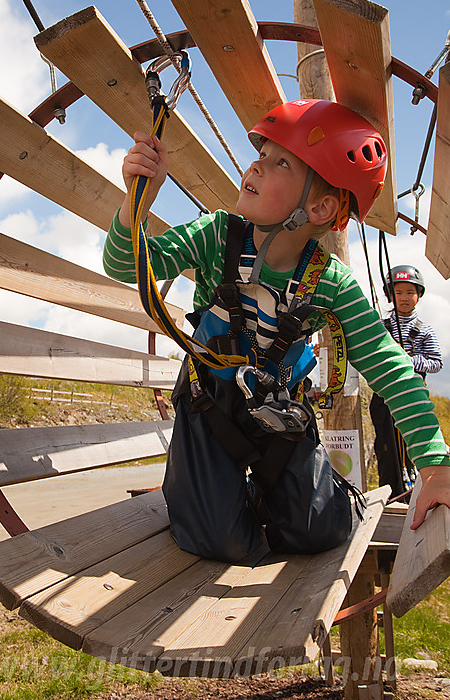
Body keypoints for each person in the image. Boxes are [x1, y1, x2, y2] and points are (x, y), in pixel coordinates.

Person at [103, 99, 450, 562]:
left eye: (279, 162)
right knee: (221, 542)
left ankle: (291, 498)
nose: (255, 166)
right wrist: (136, 201)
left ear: (321, 206)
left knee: (321, 530)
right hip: (210, 405)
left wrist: (435, 467)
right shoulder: (216, 236)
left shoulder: (329, 282)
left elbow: (390, 367)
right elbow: (126, 263)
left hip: (277, 407)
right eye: (262, 155)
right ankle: (220, 499)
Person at [370, 265, 443, 499]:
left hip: (412, 394)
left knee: (413, 444)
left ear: (418, 295)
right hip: (383, 396)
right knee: (385, 447)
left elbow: (435, 363)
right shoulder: (380, 327)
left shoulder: (424, 330)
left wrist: (409, 360)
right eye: (398, 292)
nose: (404, 298)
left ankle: (416, 492)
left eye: (409, 292)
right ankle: (390, 493)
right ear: (390, 295)